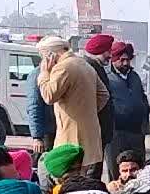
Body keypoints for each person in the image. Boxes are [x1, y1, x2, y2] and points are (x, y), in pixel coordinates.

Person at [37, 36, 108, 174]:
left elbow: (49, 96)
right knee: (82, 177)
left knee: (68, 178)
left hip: (71, 135)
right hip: (90, 134)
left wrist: (44, 74)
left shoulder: (63, 68)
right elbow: (104, 95)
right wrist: (88, 112)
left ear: (51, 55)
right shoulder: (85, 65)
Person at [105, 41, 150, 182]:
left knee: (138, 170)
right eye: (121, 59)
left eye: (127, 59)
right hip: (115, 133)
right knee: (117, 171)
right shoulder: (106, 77)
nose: (125, 63)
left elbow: (142, 97)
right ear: (113, 59)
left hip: (136, 132)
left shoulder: (134, 77)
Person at [81, 34, 116, 176]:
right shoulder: (89, 68)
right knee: (91, 171)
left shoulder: (96, 67)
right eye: (108, 51)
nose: (110, 55)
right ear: (99, 50)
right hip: (93, 130)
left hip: (99, 130)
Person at [26, 60, 56, 157]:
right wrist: (37, 137)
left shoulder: (55, 73)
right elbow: (34, 106)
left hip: (55, 129)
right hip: (46, 132)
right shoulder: (36, 75)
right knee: (43, 163)